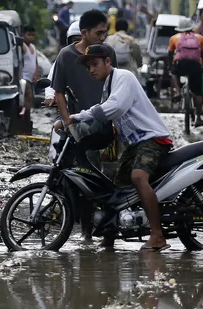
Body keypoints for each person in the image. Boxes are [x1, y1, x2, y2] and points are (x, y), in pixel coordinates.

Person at [66, 45, 174, 252]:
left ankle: (157, 234)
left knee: (138, 177)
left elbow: (116, 107)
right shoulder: (107, 87)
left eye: (95, 64)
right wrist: (73, 126)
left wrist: (78, 116)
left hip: (152, 139)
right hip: (135, 144)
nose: (91, 70)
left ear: (108, 62)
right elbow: (105, 119)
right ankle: (109, 237)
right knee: (115, 190)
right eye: (88, 67)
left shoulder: (124, 77)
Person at [52, 9, 118, 240]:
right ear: (84, 33)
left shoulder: (108, 52)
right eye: (99, 33)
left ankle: (110, 230)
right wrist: (67, 120)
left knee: (112, 179)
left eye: (105, 32)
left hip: (108, 127)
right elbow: (58, 91)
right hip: (82, 130)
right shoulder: (66, 56)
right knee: (85, 180)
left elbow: (113, 88)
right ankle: (87, 233)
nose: (103, 37)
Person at [168, 16, 203, 127]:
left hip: (181, 65)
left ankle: (178, 91)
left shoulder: (174, 38)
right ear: (191, 27)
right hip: (195, 66)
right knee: (198, 93)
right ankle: (198, 118)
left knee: (174, 73)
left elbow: (170, 53)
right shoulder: (200, 38)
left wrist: (171, 66)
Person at [44, 21, 82, 107]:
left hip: (93, 106)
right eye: (76, 40)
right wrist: (50, 96)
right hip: (70, 106)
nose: (79, 44)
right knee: (59, 121)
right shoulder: (63, 58)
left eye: (83, 40)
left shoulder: (95, 58)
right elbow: (52, 79)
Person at [21, 25, 42, 117]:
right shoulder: (22, 46)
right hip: (24, 77)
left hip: (31, 77)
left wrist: (36, 74)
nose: (31, 37)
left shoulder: (33, 47)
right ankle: (24, 117)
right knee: (28, 96)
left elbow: (36, 62)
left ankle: (27, 117)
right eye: (28, 35)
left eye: (33, 35)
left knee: (30, 98)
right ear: (23, 35)